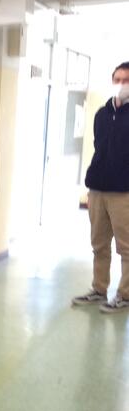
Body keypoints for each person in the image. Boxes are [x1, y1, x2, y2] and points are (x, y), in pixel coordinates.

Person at [72, 62, 129, 313]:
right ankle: (99, 289)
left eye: (126, 80)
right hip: (97, 189)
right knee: (99, 244)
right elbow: (99, 147)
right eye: (117, 79)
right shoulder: (102, 114)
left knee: (126, 247)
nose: (121, 84)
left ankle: (125, 294)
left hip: (123, 192)